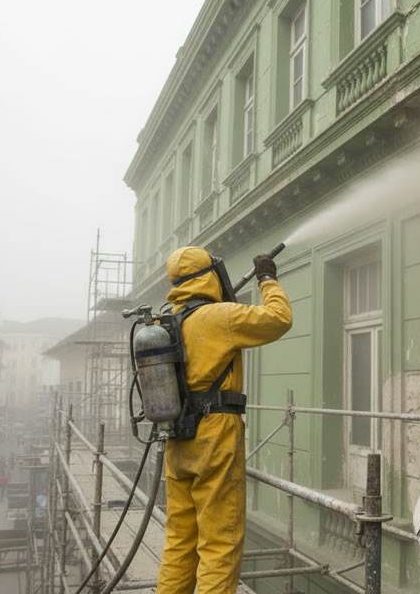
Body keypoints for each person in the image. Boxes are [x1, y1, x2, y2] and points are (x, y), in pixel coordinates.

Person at [156, 247, 292, 594]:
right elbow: (279, 318)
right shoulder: (221, 317)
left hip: (176, 435)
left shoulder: (163, 323)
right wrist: (267, 278)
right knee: (219, 541)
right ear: (210, 275)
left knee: (180, 538)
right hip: (215, 434)